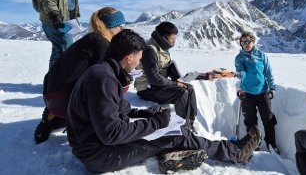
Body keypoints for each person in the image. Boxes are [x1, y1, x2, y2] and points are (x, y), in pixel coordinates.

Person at [66, 29, 261, 173]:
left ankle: (174, 153)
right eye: (139, 58)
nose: (139, 63)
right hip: (100, 155)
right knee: (174, 136)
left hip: (96, 145)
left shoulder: (105, 72)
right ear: (128, 58)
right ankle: (235, 152)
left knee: (174, 130)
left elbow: (118, 111)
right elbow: (112, 134)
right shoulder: (104, 79)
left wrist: (146, 114)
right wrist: (156, 123)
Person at [34, 7, 125, 144]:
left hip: (52, 95)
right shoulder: (101, 44)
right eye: (120, 27)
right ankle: (91, 126)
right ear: (109, 27)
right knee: (117, 86)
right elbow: (106, 79)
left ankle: (50, 118)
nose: (122, 30)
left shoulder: (91, 39)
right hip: (62, 100)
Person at [134, 22, 198, 132]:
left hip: (157, 87)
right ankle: (181, 125)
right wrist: (175, 84)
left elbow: (167, 64)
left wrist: (175, 77)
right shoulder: (150, 50)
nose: (174, 42)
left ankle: (190, 121)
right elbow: (154, 78)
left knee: (189, 88)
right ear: (163, 38)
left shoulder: (161, 47)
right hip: (147, 89)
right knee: (182, 93)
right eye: (172, 39)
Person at [234, 31, 280, 154]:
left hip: (262, 92)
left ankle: (271, 143)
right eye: (243, 42)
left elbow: (268, 72)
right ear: (241, 44)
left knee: (268, 119)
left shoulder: (262, 55)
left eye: (249, 41)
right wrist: (240, 74)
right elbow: (241, 72)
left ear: (253, 42)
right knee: (250, 121)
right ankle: (254, 144)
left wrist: (272, 88)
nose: (246, 44)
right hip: (247, 94)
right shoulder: (239, 58)